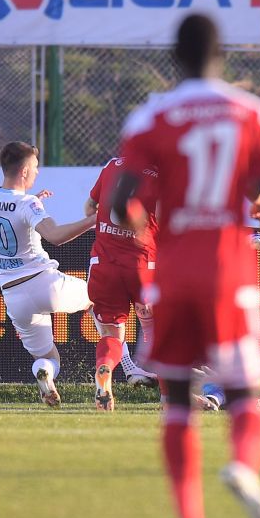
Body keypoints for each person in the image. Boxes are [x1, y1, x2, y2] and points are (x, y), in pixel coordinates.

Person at [112, 13, 260, 518]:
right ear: (224, 56)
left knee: (177, 403)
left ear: (176, 56)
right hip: (231, 273)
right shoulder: (256, 115)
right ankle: (242, 467)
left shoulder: (151, 117)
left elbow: (122, 201)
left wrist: (146, 225)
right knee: (245, 394)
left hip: (171, 273)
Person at [0, 141, 95, 407]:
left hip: (14, 296)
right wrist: (92, 221)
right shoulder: (27, 204)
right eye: (36, 167)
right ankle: (121, 370)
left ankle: (45, 375)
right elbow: (55, 236)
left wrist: (32, 204)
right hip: (44, 283)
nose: (38, 172)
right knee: (98, 299)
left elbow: (9, 211)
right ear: (25, 171)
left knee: (50, 359)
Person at [84, 156, 161, 412]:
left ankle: (105, 370)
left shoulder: (111, 166)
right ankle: (169, 397)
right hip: (142, 266)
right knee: (160, 330)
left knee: (112, 335)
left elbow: (89, 207)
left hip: (104, 265)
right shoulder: (163, 174)